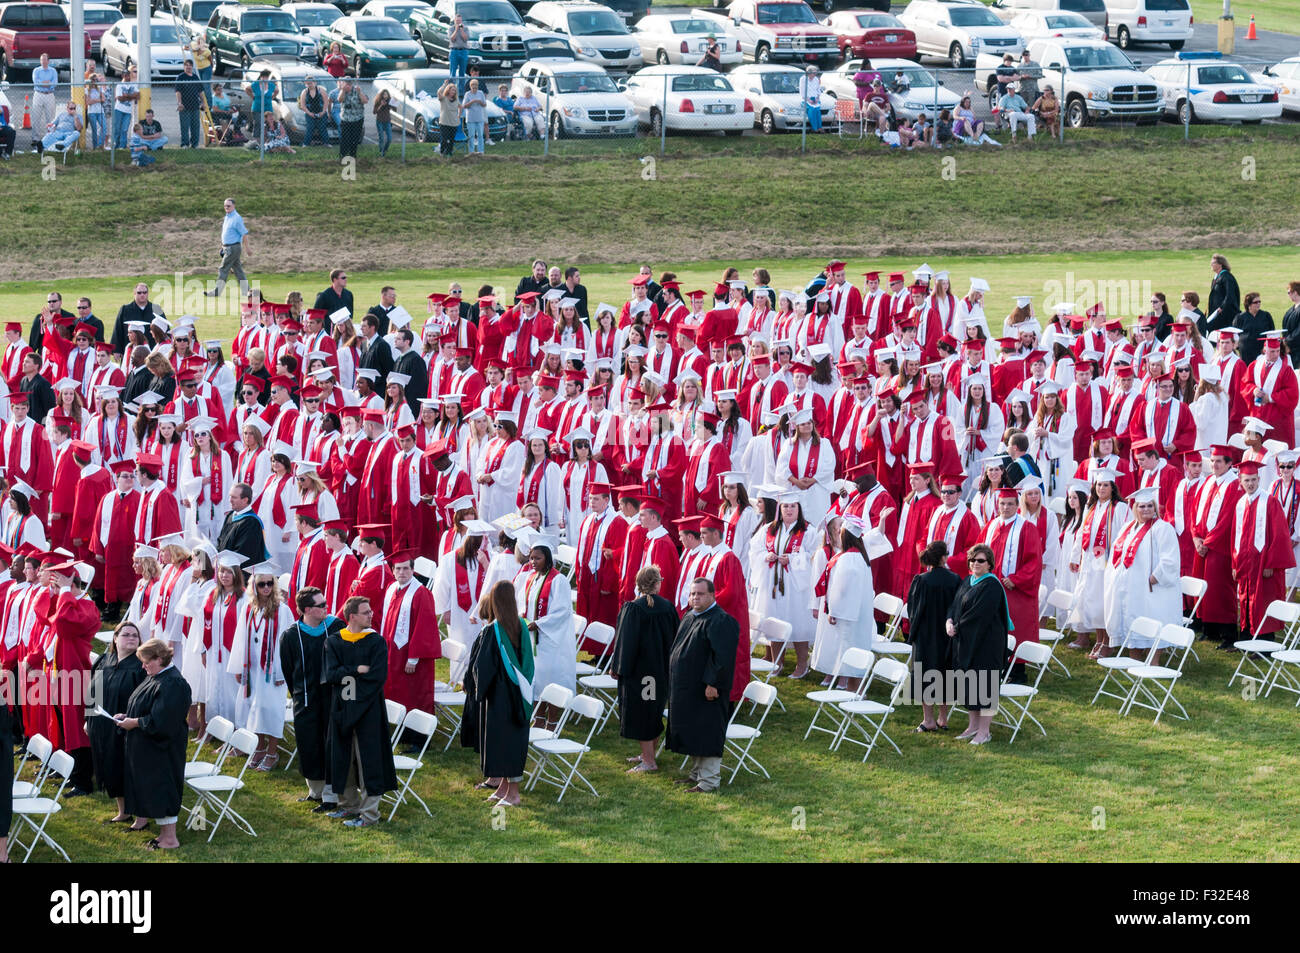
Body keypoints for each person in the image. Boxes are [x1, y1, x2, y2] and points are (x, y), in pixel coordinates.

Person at [323, 596, 397, 828]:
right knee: (342, 759)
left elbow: (376, 677)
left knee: (369, 763)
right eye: (366, 612)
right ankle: (349, 806)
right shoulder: (334, 642)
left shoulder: (376, 642)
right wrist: (356, 669)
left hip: (369, 713)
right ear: (352, 616)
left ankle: (369, 815)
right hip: (343, 709)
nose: (371, 614)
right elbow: (331, 675)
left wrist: (351, 683)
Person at [459, 579, 533, 806]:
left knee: (504, 741)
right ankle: (503, 788)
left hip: (499, 695)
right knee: (510, 740)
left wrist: (475, 689)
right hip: (519, 691)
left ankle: (514, 795)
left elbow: (481, 667)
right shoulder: (521, 625)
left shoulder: (493, 631)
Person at [116, 637, 192, 850]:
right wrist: (127, 715)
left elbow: (164, 720)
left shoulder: (174, 683)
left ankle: (169, 839)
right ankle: (151, 827)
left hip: (163, 750)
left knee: (163, 788)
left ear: (160, 659)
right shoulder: (157, 675)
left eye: (146, 661)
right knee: (148, 785)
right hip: (146, 746)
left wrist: (136, 722)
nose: (143, 666)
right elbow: (147, 706)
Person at [666, 577, 740, 793]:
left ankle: (708, 782)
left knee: (707, 731)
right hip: (688, 687)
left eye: (700, 594)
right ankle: (697, 774)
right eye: (692, 594)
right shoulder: (691, 616)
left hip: (707, 690)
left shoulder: (720, 620)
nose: (695, 597)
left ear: (712, 595)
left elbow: (722, 657)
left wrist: (713, 684)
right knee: (692, 729)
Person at [281, 586, 344, 812]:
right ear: (308, 610)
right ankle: (314, 791)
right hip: (305, 699)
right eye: (322, 605)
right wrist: (299, 693)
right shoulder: (291, 635)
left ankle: (331, 795)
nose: (327, 608)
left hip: (331, 699)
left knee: (329, 744)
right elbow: (288, 669)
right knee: (309, 745)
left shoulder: (336, 628)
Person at [227, 564, 293, 769]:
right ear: (253, 586)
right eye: (261, 584)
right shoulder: (249, 608)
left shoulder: (282, 610)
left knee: (270, 709)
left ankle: (273, 753)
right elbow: (239, 638)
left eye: (269, 583)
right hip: (253, 669)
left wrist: (281, 671)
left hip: (272, 671)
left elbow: (286, 644)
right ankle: (259, 748)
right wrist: (239, 667)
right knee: (253, 708)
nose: (266, 587)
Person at [1103, 487, 1181, 658]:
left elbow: (1170, 559)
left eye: (1149, 506)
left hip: (1153, 587)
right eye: (1141, 506)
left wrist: (1156, 577)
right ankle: (1134, 656)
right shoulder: (1128, 528)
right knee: (1134, 620)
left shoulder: (1162, 528)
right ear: (1135, 508)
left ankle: (1155, 660)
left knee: (1155, 619)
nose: (1146, 510)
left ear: (1155, 508)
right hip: (1132, 588)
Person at [613, 565, 677, 773]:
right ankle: (647, 754)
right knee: (654, 710)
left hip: (641, 673)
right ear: (658, 583)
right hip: (662, 671)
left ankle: (649, 761)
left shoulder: (633, 608)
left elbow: (625, 642)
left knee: (643, 714)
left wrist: (619, 667)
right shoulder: (667, 607)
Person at [945, 544, 1010, 745]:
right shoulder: (968, 581)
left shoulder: (991, 585)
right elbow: (955, 605)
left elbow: (979, 615)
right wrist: (949, 620)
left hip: (987, 643)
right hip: (966, 641)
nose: (975, 564)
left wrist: (957, 626)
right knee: (969, 684)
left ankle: (984, 731)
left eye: (980, 560)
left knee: (985, 686)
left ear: (989, 563)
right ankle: (973, 726)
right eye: (972, 560)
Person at [87, 620, 146, 824]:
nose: (131, 638)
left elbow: (146, 699)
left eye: (135, 636)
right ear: (115, 638)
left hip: (128, 727)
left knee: (130, 769)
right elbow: (92, 691)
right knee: (110, 766)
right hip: (102, 724)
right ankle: (123, 811)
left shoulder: (141, 666)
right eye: (126, 634)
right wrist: (88, 719)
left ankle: (141, 817)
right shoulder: (105, 660)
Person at [907, 540, 962, 732]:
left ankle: (928, 720)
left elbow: (913, 610)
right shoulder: (955, 579)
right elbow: (958, 607)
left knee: (926, 675)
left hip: (926, 636)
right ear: (944, 557)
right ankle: (943, 718)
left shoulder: (922, 580)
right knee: (946, 673)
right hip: (947, 634)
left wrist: (913, 633)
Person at [175, 59, 205, 148]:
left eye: (190, 65)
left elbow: (200, 91)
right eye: (186, 65)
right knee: (185, 127)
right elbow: (178, 91)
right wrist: (179, 103)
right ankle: (185, 144)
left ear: (192, 67)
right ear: (184, 67)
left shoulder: (195, 77)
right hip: (184, 106)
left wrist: (203, 102)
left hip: (195, 106)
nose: (188, 67)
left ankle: (195, 144)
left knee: (195, 126)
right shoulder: (181, 77)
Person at [337, 78, 368, 159]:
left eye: (347, 85)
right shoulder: (342, 91)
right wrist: (343, 91)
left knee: (355, 139)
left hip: (357, 119)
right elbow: (339, 100)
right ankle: (342, 156)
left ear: (350, 85)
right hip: (345, 119)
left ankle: (352, 155)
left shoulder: (357, 90)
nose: (345, 86)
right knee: (344, 139)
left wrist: (360, 92)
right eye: (344, 84)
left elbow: (365, 101)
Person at [462, 78, 487, 156]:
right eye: (473, 86)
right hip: (470, 118)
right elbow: (464, 106)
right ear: (470, 86)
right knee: (471, 135)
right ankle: (471, 151)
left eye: (476, 86)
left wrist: (480, 102)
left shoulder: (481, 93)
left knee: (480, 135)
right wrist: (472, 102)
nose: (474, 88)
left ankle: (481, 151)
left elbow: (484, 104)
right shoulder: (467, 94)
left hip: (479, 117)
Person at [438, 78, 460, 157]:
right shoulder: (443, 98)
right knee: (444, 139)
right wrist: (444, 85)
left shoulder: (456, 99)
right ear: (448, 90)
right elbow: (439, 92)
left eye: (454, 90)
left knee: (451, 140)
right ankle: (442, 152)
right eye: (451, 90)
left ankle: (449, 153)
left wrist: (459, 116)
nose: (453, 92)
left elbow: (460, 107)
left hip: (454, 123)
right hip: (444, 122)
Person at [372, 88, 392, 157]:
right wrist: (381, 105)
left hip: (387, 121)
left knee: (389, 138)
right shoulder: (378, 101)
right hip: (379, 121)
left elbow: (395, 110)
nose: (385, 96)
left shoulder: (389, 101)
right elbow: (374, 112)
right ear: (381, 95)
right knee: (381, 138)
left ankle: (385, 149)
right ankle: (382, 152)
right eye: (383, 94)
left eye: (386, 94)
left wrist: (394, 103)